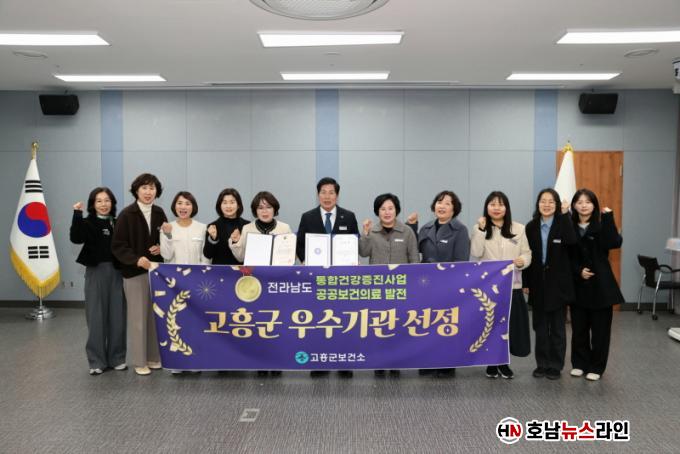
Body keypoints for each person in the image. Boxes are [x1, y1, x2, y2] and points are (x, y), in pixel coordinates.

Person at [296, 177, 359, 378]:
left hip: (342, 280)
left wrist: (353, 260)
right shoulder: (308, 217)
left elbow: (355, 242)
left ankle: (344, 362)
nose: (327, 196)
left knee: (343, 319)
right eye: (323, 192)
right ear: (318, 194)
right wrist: (304, 261)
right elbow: (299, 244)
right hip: (317, 279)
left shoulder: (349, 216)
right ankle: (319, 362)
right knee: (319, 319)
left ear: (337, 195)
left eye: (331, 192)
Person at [407, 190, 469, 378]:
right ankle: (427, 361)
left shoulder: (460, 230)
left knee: (446, 325)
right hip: (426, 286)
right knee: (427, 324)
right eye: (439, 202)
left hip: (448, 285)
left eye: (448, 203)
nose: (442, 206)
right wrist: (412, 226)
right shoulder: (425, 228)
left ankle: (447, 364)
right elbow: (413, 251)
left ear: (454, 209)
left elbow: (461, 261)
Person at [229, 191, 291, 377]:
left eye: (268, 207)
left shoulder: (284, 228)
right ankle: (260, 362)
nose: (265, 211)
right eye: (260, 208)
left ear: (275, 209)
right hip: (255, 283)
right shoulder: (247, 228)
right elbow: (240, 257)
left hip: (277, 283)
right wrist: (235, 241)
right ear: (255, 211)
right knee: (258, 322)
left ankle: (277, 362)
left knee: (277, 322)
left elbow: (290, 256)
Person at [470, 191, 531, 379]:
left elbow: (527, 253)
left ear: (506, 208)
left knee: (508, 327)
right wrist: (481, 231)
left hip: (512, 286)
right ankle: (491, 363)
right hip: (489, 289)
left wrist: (522, 261)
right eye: (492, 204)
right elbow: (476, 252)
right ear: (487, 207)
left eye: (501, 204)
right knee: (491, 326)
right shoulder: (479, 228)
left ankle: (504, 363)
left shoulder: (519, 228)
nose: (496, 208)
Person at [112, 173, 167, 376]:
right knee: (138, 318)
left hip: (156, 272)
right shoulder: (127, 214)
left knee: (154, 318)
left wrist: (160, 247)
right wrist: (136, 259)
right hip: (134, 272)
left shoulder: (160, 212)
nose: (148, 192)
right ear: (136, 190)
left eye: (152, 188)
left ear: (156, 191)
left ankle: (153, 357)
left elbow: (165, 239)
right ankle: (139, 361)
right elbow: (118, 246)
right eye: (144, 188)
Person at [359, 193, 419, 377]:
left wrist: (412, 284)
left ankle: (396, 361)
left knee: (398, 324)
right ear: (377, 211)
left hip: (400, 287)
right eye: (383, 209)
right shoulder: (373, 231)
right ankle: (379, 362)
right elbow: (363, 252)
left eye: (390, 208)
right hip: (377, 287)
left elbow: (414, 259)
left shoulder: (407, 231)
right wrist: (365, 234)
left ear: (396, 210)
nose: (387, 212)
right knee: (378, 324)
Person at [70, 187, 126, 376]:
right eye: (99, 201)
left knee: (118, 317)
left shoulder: (117, 222)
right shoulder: (87, 222)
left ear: (113, 203)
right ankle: (96, 361)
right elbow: (76, 238)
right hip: (96, 272)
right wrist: (77, 214)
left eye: (107, 200)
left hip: (117, 273)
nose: (104, 204)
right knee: (96, 317)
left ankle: (117, 358)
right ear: (93, 204)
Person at [569, 189, 623, 381]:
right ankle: (579, 363)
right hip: (578, 286)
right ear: (574, 205)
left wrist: (608, 218)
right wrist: (578, 271)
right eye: (579, 202)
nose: (583, 205)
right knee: (579, 329)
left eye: (588, 202)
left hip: (601, 288)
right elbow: (565, 256)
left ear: (594, 205)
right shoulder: (569, 226)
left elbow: (614, 242)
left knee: (600, 332)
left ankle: (597, 367)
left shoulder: (601, 225)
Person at [523, 188, 576, 380]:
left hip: (558, 285)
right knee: (540, 327)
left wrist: (565, 215)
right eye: (543, 201)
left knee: (558, 329)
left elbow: (572, 241)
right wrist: (526, 282)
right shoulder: (530, 227)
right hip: (537, 284)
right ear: (538, 204)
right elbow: (527, 255)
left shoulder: (563, 223)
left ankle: (555, 365)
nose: (546, 205)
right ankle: (542, 364)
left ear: (557, 205)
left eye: (551, 201)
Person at [160, 191, 209, 265]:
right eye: (179, 203)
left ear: (193, 207)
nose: (183, 207)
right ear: (174, 206)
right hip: (173, 272)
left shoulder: (203, 228)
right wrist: (168, 235)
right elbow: (166, 256)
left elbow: (206, 258)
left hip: (196, 271)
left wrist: (201, 271)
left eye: (187, 204)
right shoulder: (166, 228)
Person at [203, 188, 249, 265]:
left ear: (238, 205)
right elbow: (207, 255)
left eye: (232, 202)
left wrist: (237, 242)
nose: (228, 206)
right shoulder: (213, 226)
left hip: (241, 271)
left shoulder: (247, 226)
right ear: (220, 206)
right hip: (220, 271)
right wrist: (213, 239)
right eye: (224, 203)